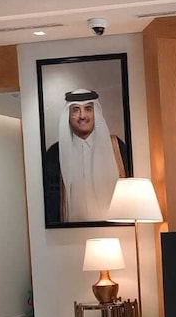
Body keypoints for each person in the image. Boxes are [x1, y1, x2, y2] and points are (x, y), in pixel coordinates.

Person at [43, 89, 130, 224]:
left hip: (114, 230)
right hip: (68, 233)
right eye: (76, 110)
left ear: (96, 114)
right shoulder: (54, 153)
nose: (82, 116)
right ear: (68, 116)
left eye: (88, 109)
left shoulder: (116, 147)